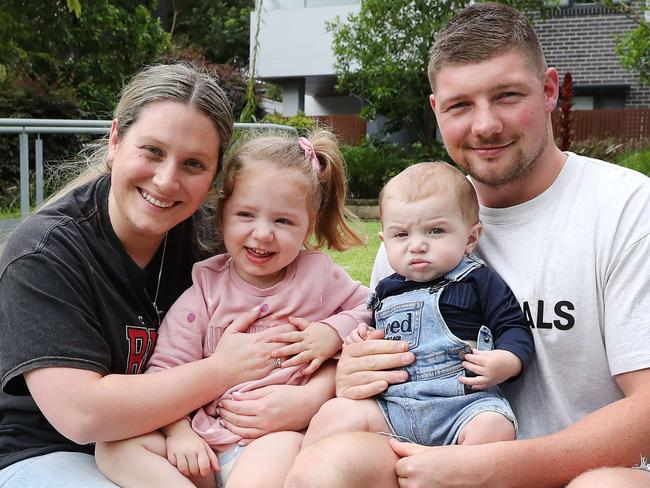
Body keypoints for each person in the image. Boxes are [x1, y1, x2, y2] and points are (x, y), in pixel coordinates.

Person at [285, 3, 650, 487]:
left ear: (547, 91)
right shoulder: (419, 222)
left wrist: (497, 468)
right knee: (323, 466)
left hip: (574, 469)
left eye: (506, 96)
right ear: (437, 111)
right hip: (432, 453)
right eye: (460, 106)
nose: (485, 125)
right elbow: (379, 354)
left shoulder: (626, 209)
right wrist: (356, 372)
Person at [0, 63, 335, 488]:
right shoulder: (45, 253)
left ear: (215, 178)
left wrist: (313, 394)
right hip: (57, 450)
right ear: (116, 140)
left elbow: (321, 315)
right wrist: (222, 370)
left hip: (195, 442)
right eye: (152, 150)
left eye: (193, 163)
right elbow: (82, 416)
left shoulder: (224, 237)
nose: (166, 180)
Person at [95, 129, 371, 488]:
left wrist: (333, 332)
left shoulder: (317, 276)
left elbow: (373, 307)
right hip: (208, 439)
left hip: (277, 437)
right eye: (246, 214)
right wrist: (180, 434)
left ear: (309, 226)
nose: (263, 233)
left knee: (270, 461)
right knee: (114, 447)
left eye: (283, 221)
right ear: (222, 215)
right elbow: (163, 373)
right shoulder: (207, 289)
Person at [302, 162, 533, 453]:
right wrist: (361, 339)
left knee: (494, 426)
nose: (417, 245)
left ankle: (451, 469)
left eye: (435, 231)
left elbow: (512, 325)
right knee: (333, 414)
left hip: (462, 404)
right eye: (402, 235)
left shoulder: (477, 280)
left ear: (470, 238)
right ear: (385, 242)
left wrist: (508, 361)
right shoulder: (386, 289)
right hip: (395, 405)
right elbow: (375, 333)